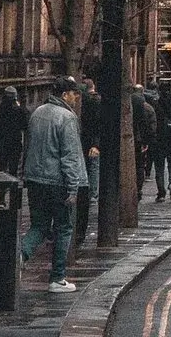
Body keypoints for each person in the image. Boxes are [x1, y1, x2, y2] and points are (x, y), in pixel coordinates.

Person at [20, 76, 88, 293]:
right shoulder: (67, 117)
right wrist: (73, 187)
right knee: (64, 228)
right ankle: (57, 278)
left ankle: (19, 255)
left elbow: (28, 146)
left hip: (35, 180)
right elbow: (70, 156)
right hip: (58, 182)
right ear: (65, 95)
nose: (77, 98)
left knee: (39, 226)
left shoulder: (37, 113)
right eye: (74, 94)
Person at [73, 76, 102, 247]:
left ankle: (93, 194)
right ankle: (93, 194)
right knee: (93, 168)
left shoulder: (87, 103)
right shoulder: (95, 101)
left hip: (87, 143)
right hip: (90, 143)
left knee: (91, 167)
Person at [0, 86, 28, 178]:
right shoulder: (19, 111)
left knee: (1, 170)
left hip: (0, 145)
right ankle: (13, 186)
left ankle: (1, 186)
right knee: (13, 171)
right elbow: (25, 126)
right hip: (14, 145)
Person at [131, 84, 156, 200]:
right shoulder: (148, 107)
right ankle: (138, 189)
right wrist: (147, 140)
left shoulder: (129, 104)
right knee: (140, 165)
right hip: (140, 140)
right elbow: (151, 126)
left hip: (133, 139)